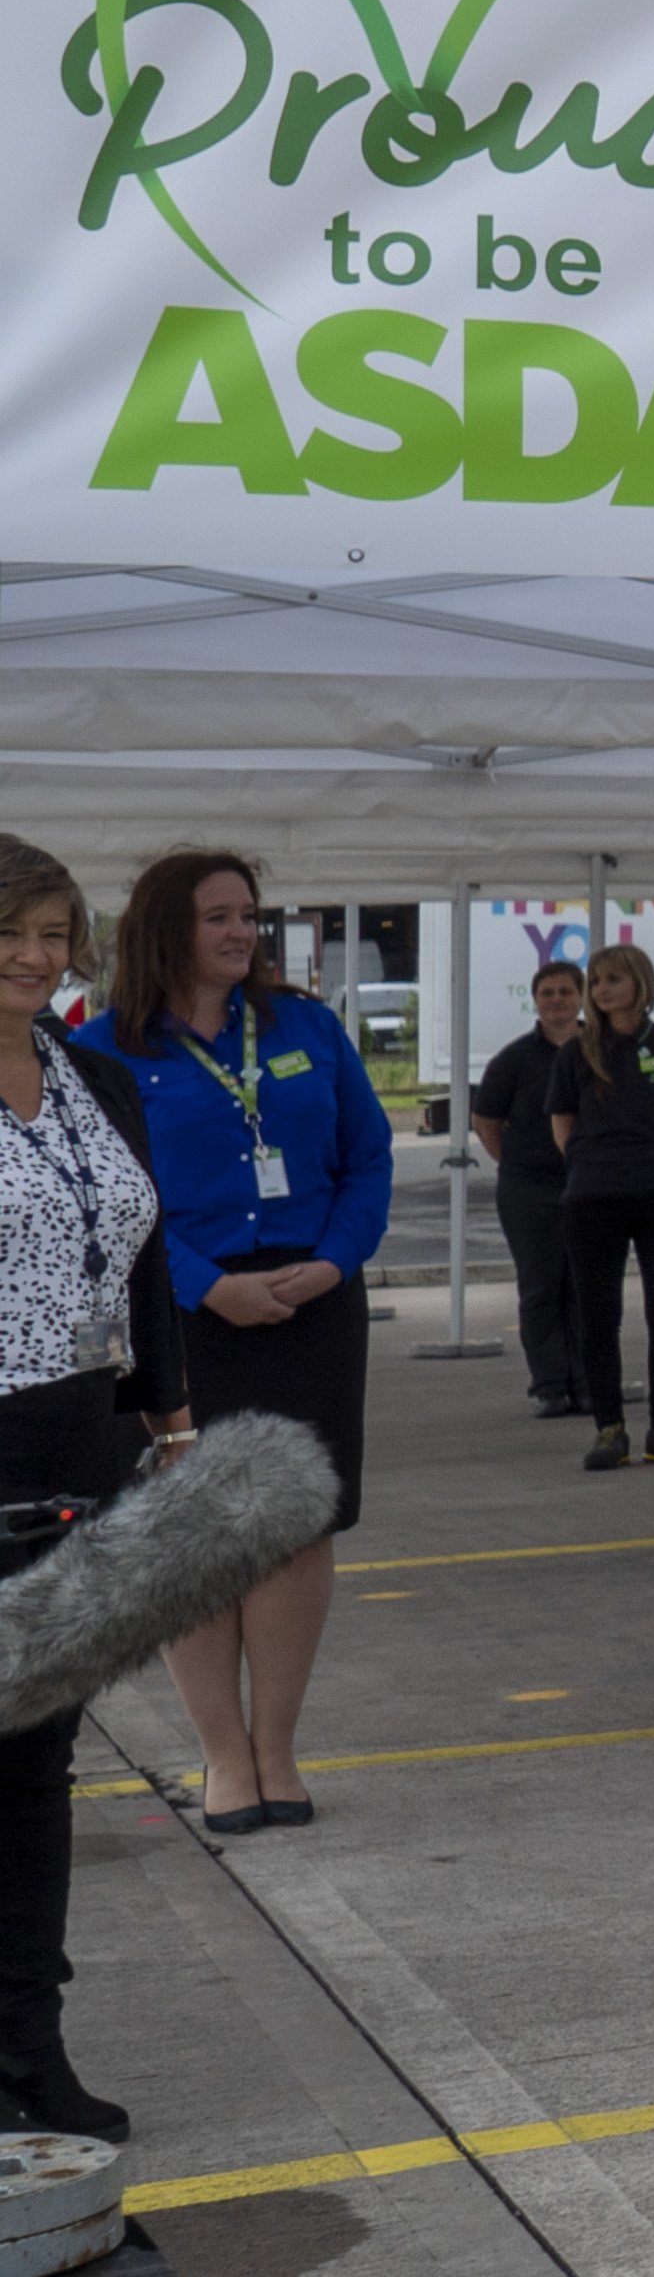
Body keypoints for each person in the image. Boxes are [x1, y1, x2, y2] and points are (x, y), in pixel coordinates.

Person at [78, 848, 383, 1832]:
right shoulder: (101, 1048)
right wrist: (207, 1285)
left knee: (295, 1528)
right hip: (176, 1314)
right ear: (164, 928)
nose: (242, 932)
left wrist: (333, 1263)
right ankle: (222, 1758)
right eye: (218, 916)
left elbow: (367, 1158)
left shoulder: (304, 1024)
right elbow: (96, 1204)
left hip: (310, 1302)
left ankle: (277, 1751)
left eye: (249, 914)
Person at [0, 833, 189, 2133]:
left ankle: (28, 2051)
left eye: (56, 933)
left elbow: (140, 1261)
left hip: (82, 1458)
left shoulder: (94, 1079)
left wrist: (168, 1425)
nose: (34, 957)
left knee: (36, 1771)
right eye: (12, 931)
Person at [545, 944, 654, 1471]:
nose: (603, 990)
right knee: (598, 1315)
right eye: (596, 982)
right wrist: (590, 1163)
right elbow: (561, 1121)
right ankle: (609, 1428)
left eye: (613, 979)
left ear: (640, 982)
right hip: (592, 1197)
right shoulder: (577, 1051)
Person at [466, 957, 589, 1415]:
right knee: (540, 1286)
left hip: (590, 1188)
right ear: (535, 1001)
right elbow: (485, 1120)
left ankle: (588, 1380)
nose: (556, 1000)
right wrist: (517, 1163)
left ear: (581, 997)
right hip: (530, 1190)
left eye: (565, 992)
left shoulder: (600, 1051)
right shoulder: (514, 1059)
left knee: (584, 1286)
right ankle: (550, 1384)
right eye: (547, 993)